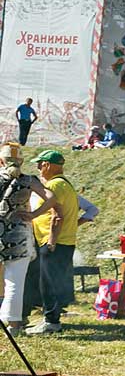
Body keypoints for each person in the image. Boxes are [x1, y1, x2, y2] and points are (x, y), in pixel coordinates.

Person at [0, 143, 56, 334]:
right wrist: (34, 214)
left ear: (1, 161)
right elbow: (51, 197)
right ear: (21, 161)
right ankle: (14, 325)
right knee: (15, 281)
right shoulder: (29, 180)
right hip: (19, 236)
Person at [24, 150, 79, 335]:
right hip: (65, 241)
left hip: (54, 242)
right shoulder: (65, 184)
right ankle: (51, 319)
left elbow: (57, 217)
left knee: (48, 283)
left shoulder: (54, 186)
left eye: (40, 164)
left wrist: (51, 241)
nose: (38, 168)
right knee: (54, 282)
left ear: (48, 164)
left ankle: (51, 322)